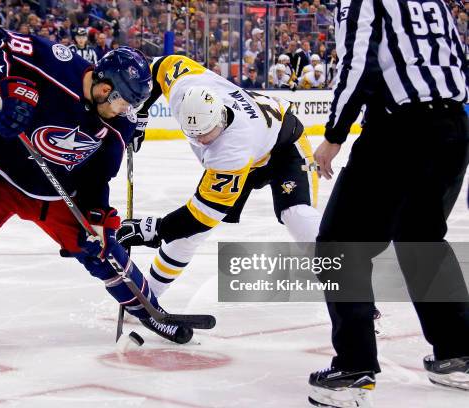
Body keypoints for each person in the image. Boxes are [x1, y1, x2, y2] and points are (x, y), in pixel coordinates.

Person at [0, 25, 192, 360]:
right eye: (122, 103)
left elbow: (97, 178)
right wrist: (11, 90)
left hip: (57, 195)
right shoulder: (55, 62)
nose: (125, 112)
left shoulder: (119, 124)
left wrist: (96, 219)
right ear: (105, 88)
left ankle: (150, 311)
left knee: (101, 249)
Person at [309, 0, 469, 406]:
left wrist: (334, 134)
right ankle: (458, 353)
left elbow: (358, 63)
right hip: (454, 126)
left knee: (338, 244)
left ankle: (354, 368)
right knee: (422, 239)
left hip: (401, 129)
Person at [116, 55, 321, 298]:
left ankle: (353, 287)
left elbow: (204, 215)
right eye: (194, 135)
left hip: (285, 147)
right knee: (189, 235)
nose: (201, 141)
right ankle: (148, 295)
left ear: (220, 118)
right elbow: (161, 66)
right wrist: (139, 112)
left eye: (206, 134)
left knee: (296, 214)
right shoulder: (185, 89)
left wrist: (156, 229)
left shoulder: (232, 148)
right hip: (256, 144)